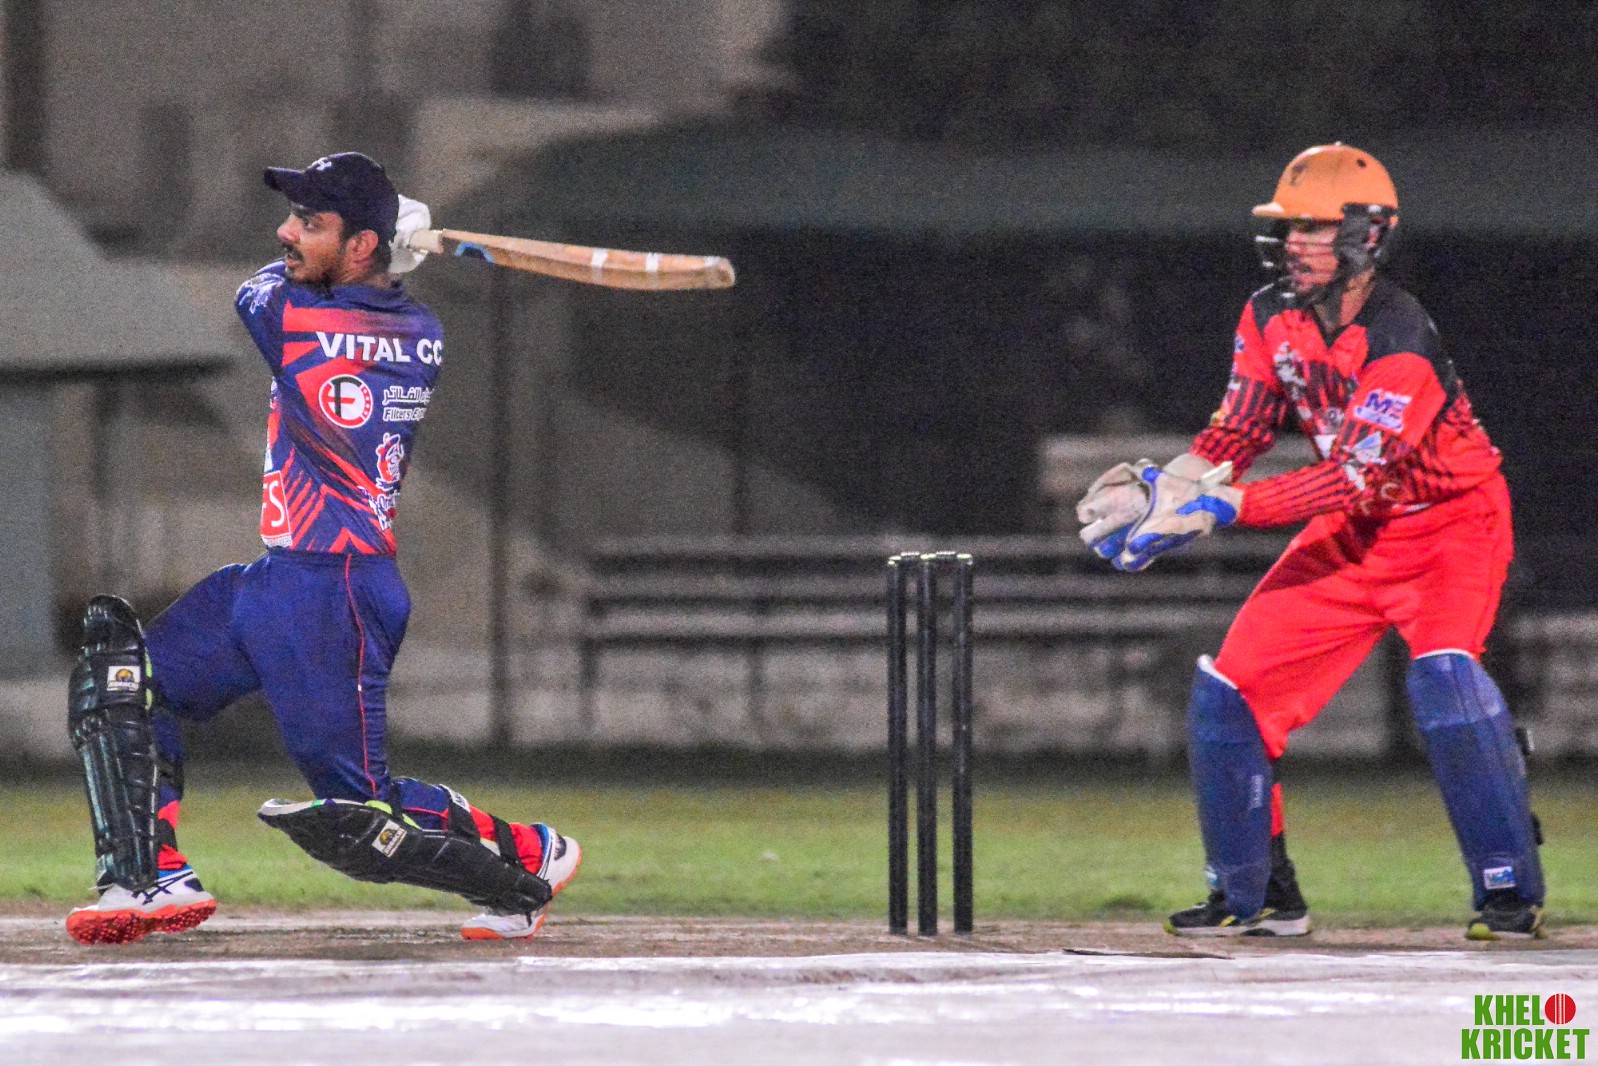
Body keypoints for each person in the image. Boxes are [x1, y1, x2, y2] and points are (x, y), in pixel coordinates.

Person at [64, 152, 580, 946]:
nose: (286, 233)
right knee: (124, 684)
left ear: (365, 244)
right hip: (281, 578)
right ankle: (149, 876)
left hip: (333, 592)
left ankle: (527, 854)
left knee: (361, 813)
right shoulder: (416, 325)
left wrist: (378, 241)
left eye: (311, 222)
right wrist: (381, 247)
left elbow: (254, 293)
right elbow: (329, 288)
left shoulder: (306, 319)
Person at [1076, 143, 1545, 941]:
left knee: (1446, 682)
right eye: (1289, 226)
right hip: (1355, 532)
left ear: (1368, 235)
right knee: (1231, 694)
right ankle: (1259, 893)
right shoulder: (1269, 314)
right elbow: (1239, 430)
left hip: (1450, 524)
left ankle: (1508, 890)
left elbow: (1352, 476)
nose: (1294, 242)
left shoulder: (1400, 336)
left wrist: (1220, 511)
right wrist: (1170, 488)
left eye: (1316, 228)